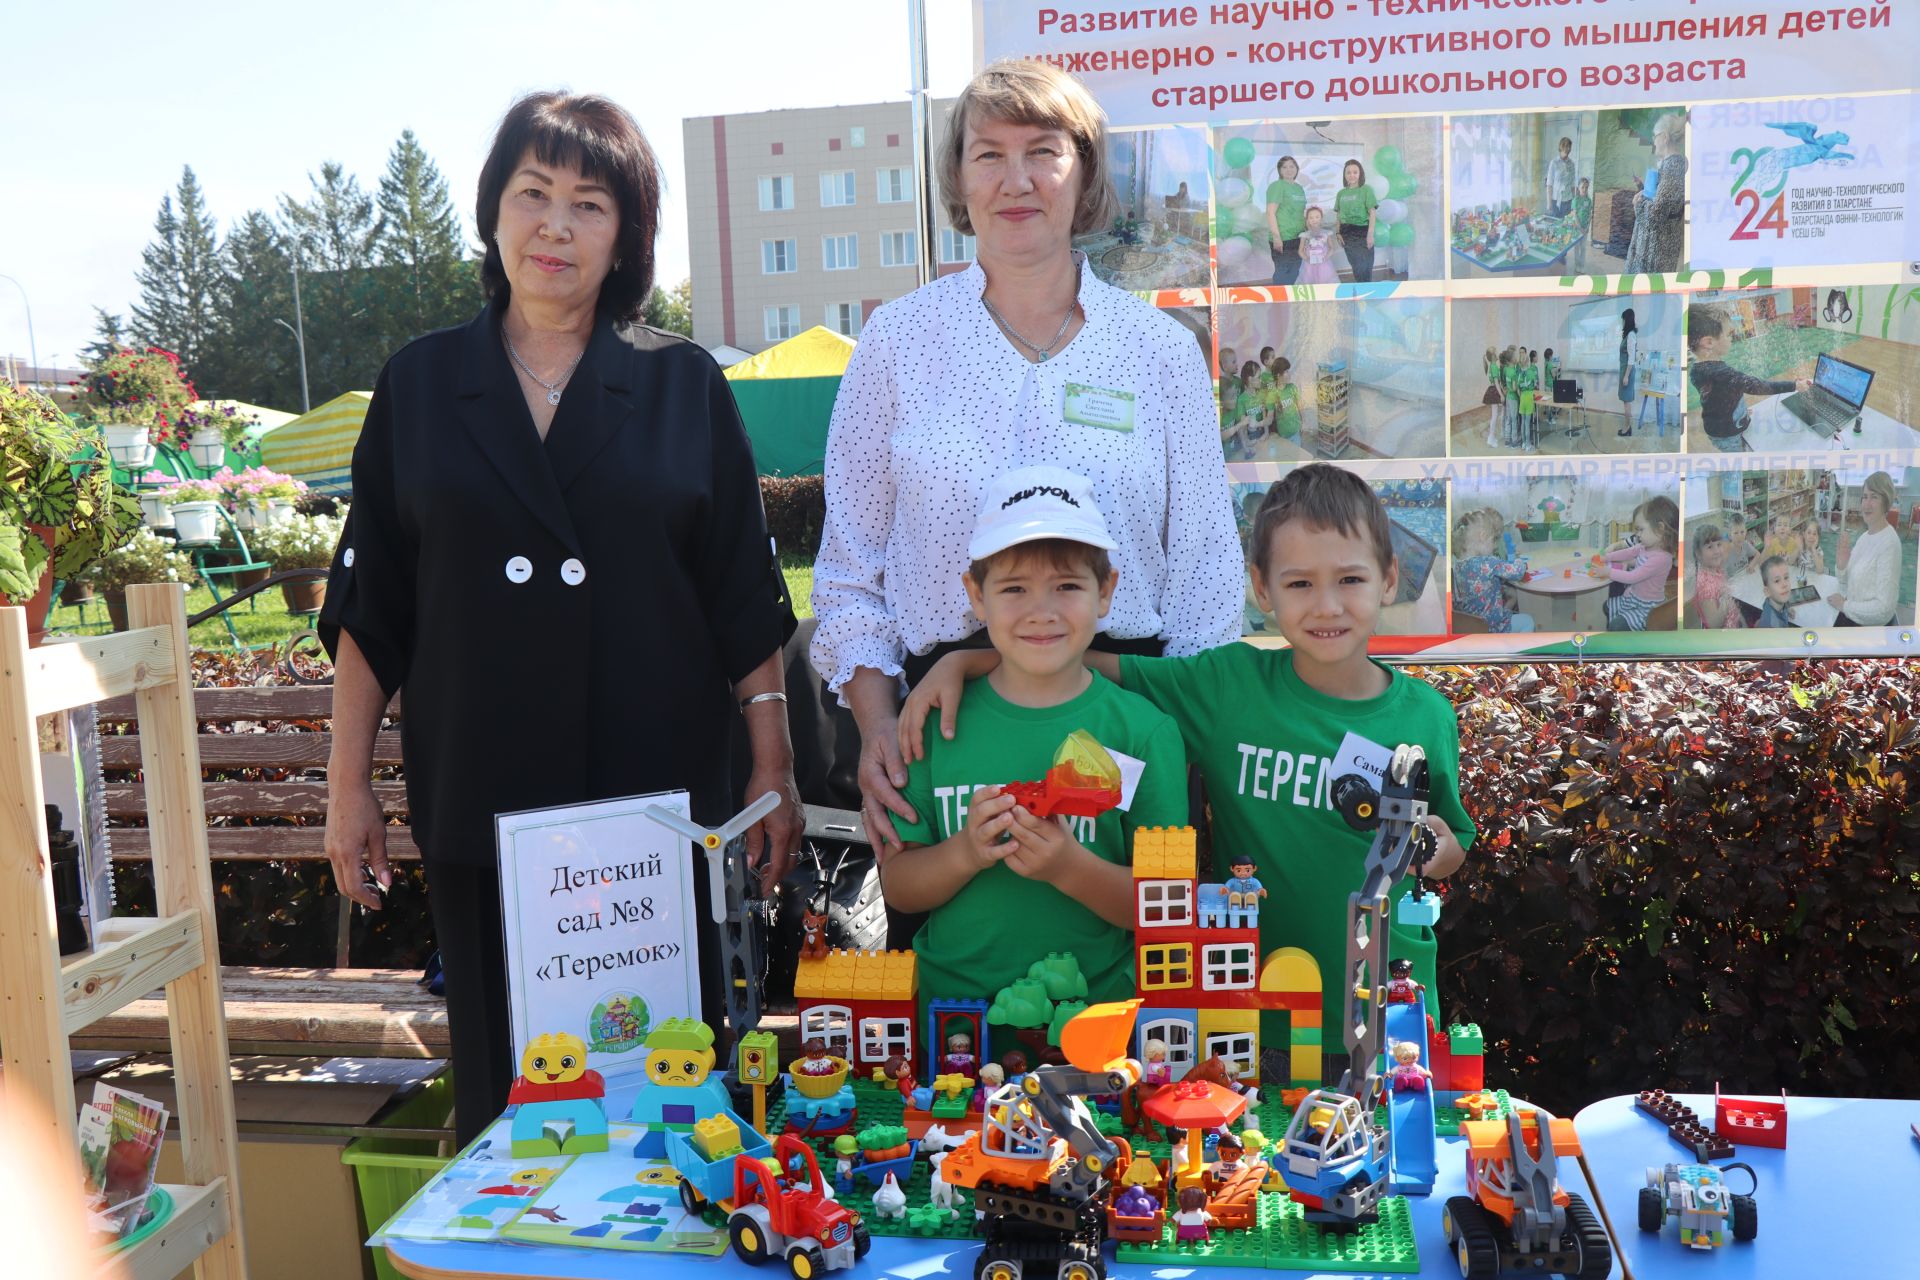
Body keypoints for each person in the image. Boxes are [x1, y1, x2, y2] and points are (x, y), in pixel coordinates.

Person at [319, 92, 801, 1146]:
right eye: (532, 194)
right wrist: (346, 781)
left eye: (589, 203)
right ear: (494, 209)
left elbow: (741, 594)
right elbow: (371, 608)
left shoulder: (682, 385)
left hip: (658, 809)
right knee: (515, 1107)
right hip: (486, 803)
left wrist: (775, 763)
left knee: (673, 1101)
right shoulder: (420, 385)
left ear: (625, 234)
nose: (556, 225)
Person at [811, 58, 1242, 878]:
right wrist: (875, 728)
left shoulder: (1158, 352)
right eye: (988, 154)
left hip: (1127, 720)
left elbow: (1206, 579)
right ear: (958, 181)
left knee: (1134, 986)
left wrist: (1178, 749)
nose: (1016, 180)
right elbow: (848, 572)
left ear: (1083, 177)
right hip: (945, 731)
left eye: (1043, 151)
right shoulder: (897, 344)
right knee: (961, 984)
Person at [902, 465, 1474, 1066]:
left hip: (1389, 1015)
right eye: (1299, 583)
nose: (1326, 605)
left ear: (1388, 580)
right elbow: (1073, 663)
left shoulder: (1425, 717)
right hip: (1252, 1017)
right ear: (1262, 589)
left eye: (1350, 579)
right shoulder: (1226, 686)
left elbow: (1452, 840)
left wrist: (1438, 846)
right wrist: (963, 663)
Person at [883, 467, 1190, 1012]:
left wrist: (1069, 867)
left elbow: (1167, 906)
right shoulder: (933, 722)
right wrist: (966, 852)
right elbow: (899, 887)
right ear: (976, 596)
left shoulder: (1145, 733)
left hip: (1099, 1024)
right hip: (955, 1025)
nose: (1042, 611)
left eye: (1068, 586)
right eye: (1014, 588)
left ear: (1106, 591)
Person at [1686, 304, 1809, 452]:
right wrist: (1795, 385)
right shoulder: (1724, 374)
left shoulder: (1696, 368)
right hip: (1728, 434)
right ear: (1709, 342)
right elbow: (1759, 386)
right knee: (1735, 466)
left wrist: (1739, 411)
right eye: (1728, 334)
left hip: (1716, 425)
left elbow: (1716, 397)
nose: (1731, 339)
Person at [1830, 471, 1903, 626]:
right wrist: (1842, 566)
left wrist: (1844, 605)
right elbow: (1846, 582)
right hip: (1852, 612)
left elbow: (1884, 609)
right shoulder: (1865, 537)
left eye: (1874, 497)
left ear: (1886, 502)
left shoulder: (1889, 544)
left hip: (1866, 628)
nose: (1866, 504)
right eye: (1865, 496)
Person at [1601, 497, 1678, 630]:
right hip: (1634, 597)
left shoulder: (1662, 558)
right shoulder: (1645, 546)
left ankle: (1626, 643)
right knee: (1607, 606)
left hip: (1647, 606)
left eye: (1640, 530)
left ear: (1660, 529)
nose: (1637, 534)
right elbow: (1628, 552)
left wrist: (1608, 572)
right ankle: (1617, 635)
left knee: (1617, 625)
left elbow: (1633, 577)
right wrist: (1606, 557)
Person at [1451, 508, 1534, 633]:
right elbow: (1518, 571)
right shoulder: (1488, 562)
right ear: (1483, 537)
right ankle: (1514, 649)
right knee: (1528, 621)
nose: (1494, 546)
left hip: (1473, 626)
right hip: (1493, 626)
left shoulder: (1458, 565)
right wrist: (1519, 560)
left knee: (1510, 600)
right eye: (1492, 540)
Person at [1625, 113, 1687, 274]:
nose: (1653, 140)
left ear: (1664, 137)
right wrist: (1643, 189)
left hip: (1657, 249)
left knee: (1649, 296)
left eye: (1655, 136)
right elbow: (1661, 198)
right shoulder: (1669, 164)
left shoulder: (1673, 166)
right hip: (1658, 245)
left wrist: (1637, 203)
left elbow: (1655, 214)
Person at [1689, 525, 1748, 629]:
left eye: (1718, 544)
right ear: (1698, 553)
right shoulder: (1705, 585)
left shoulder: (1716, 569)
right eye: (1710, 547)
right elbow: (1714, 624)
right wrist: (1725, 597)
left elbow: (1731, 603)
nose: (1717, 551)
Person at [1334, 160, 1379, 282]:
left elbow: (1372, 213)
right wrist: (1337, 233)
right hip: (1346, 232)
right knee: (1356, 266)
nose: (1351, 175)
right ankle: (1361, 296)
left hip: (1362, 231)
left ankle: (1367, 295)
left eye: (1355, 172)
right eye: (1348, 172)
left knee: (1366, 266)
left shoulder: (1366, 190)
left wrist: (1370, 235)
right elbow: (1338, 214)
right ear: (1344, 175)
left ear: (1360, 174)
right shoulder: (1341, 193)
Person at [1265, 155, 1307, 286]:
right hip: (1283, 238)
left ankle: (1287, 302)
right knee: (1283, 274)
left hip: (1298, 237)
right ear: (1280, 170)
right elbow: (1270, 212)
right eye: (1284, 167)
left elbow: (1301, 213)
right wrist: (1277, 238)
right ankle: (1279, 303)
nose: (1289, 170)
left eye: (1292, 166)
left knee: (1294, 272)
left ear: (1296, 169)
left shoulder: (1299, 188)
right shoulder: (1277, 186)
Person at [1615, 307, 1640, 437]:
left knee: (1627, 402)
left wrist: (1626, 376)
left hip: (1627, 371)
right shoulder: (1628, 334)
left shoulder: (1631, 335)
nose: (1622, 322)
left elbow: (1631, 358)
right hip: (1625, 370)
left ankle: (1627, 428)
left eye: (1624, 320)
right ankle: (1627, 426)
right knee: (1626, 401)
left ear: (1627, 319)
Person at [1297, 205, 1338, 284]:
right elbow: (1300, 251)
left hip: (1324, 263)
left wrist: (1326, 258)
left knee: (1325, 282)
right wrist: (1307, 259)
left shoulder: (1326, 233)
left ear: (1321, 218)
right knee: (1310, 283)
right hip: (1309, 264)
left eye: (1317, 217)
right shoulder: (1305, 235)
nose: (1314, 220)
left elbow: (1331, 248)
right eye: (1311, 218)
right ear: (1307, 220)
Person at [1755, 555, 1800, 629]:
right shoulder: (1774, 626)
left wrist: (1787, 608)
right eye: (1777, 581)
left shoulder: (1775, 598)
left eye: (1786, 578)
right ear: (1767, 591)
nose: (1784, 584)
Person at [1544, 136, 1575, 218]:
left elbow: (1572, 184)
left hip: (1568, 200)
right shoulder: (1554, 163)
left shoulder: (1571, 164)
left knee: (1566, 225)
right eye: (1566, 146)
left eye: (1569, 147)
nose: (1568, 149)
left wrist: (1574, 202)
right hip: (1555, 200)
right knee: (1555, 224)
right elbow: (1549, 184)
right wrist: (1549, 202)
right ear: (1561, 147)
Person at [1481, 346, 1504, 448]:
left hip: (1492, 389)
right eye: (1496, 352)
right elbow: (1496, 383)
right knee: (1494, 416)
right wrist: (1501, 395)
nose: (1498, 353)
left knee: (1495, 415)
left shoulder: (1492, 365)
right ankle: (1491, 437)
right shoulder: (1494, 366)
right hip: (1494, 390)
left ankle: (1492, 437)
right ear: (1493, 356)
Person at [1570, 177, 1593, 273]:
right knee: (1577, 247)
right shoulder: (1576, 200)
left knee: (1583, 248)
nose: (1584, 189)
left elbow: (1589, 215)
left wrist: (1587, 227)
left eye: (1586, 187)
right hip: (1577, 228)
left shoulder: (1589, 200)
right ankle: (1577, 265)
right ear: (1578, 188)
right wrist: (1580, 228)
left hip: (1585, 228)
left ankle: (1582, 265)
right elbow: (1575, 215)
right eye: (1582, 187)